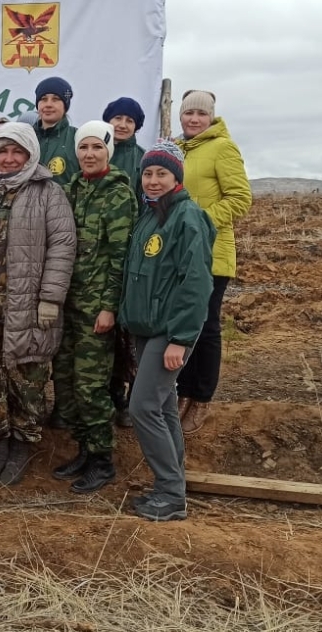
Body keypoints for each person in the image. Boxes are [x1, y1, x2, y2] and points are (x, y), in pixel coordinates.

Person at [0, 123, 76, 485]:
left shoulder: (48, 192)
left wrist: (50, 298)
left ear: (30, 155)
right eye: (3, 152)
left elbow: (62, 246)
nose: (9, 159)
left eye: (17, 152)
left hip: (26, 306)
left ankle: (22, 446)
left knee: (27, 377)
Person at [119, 141, 216, 521]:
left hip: (170, 331)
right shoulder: (150, 215)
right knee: (161, 406)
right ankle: (174, 480)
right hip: (147, 328)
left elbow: (196, 285)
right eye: (148, 173)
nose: (153, 180)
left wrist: (180, 338)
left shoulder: (188, 217)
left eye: (162, 173)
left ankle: (170, 494)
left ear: (177, 176)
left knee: (141, 406)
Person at [51, 121, 137, 493]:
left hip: (95, 309)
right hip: (68, 304)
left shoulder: (118, 195)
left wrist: (108, 308)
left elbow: (120, 258)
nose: (88, 154)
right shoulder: (71, 189)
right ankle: (84, 449)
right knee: (67, 383)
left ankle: (102, 459)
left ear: (108, 151)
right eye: (83, 147)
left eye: (96, 148)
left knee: (91, 386)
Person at [174, 90, 252, 434]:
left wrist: (200, 220)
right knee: (183, 326)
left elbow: (240, 198)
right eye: (189, 112)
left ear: (211, 118)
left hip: (211, 253)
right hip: (178, 254)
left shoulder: (223, 147)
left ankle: (201, 398)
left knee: (205, 327)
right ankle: (183, 392)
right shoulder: (178, 148)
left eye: (201, 114)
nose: (194, 119)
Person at [102, 96, 147, 428]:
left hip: (129, 255)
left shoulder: (143, 160)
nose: (121, 124)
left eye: (128, 120)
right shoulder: (97, 152)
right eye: (116, 118)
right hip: (95, 258)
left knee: (125, 335)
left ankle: (127, 398)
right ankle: (107, 394)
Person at [33, 77, 78, 187]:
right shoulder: (26, 137)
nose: (48, 105)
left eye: (55, 99)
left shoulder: (77, 138)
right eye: (43, 99)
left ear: (65, 105)